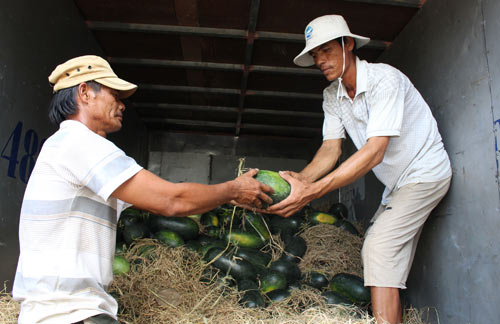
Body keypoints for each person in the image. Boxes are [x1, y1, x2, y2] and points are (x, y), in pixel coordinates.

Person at [12, 55, 273, 324]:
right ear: (85, 92)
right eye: (115, 94)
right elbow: (171, 200)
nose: (122, 105)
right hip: (66, 314)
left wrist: (226, 197)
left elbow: (160, 199)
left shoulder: (70, 147)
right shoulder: (78, 142)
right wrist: (232, 189)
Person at [266, 15, 452, 324]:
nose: (320, 61)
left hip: (425, 174)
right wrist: (297, 181)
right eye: (315, 55)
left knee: (378, 247)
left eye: (326, 50)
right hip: (397, 186)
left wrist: (314, 191)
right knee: (381, 255)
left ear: (348, 44)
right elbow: (330, 150)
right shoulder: (332, 96)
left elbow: (374, 152)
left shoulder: (384, 80)